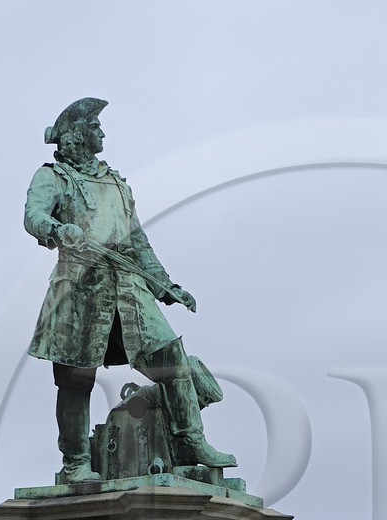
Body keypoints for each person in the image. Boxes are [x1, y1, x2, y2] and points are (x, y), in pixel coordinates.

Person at [24, 96, 234, 484]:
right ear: (75, 136)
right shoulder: (52, 177)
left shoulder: (117, 183)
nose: (102, 133)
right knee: (75, 377)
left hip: (128, 288)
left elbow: (138, 242)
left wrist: (166, 285)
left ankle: (191, 442)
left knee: (172, 356)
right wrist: (57, 230)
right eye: (94, 127)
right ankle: (76, 463)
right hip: (81, 287)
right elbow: (33, 216)